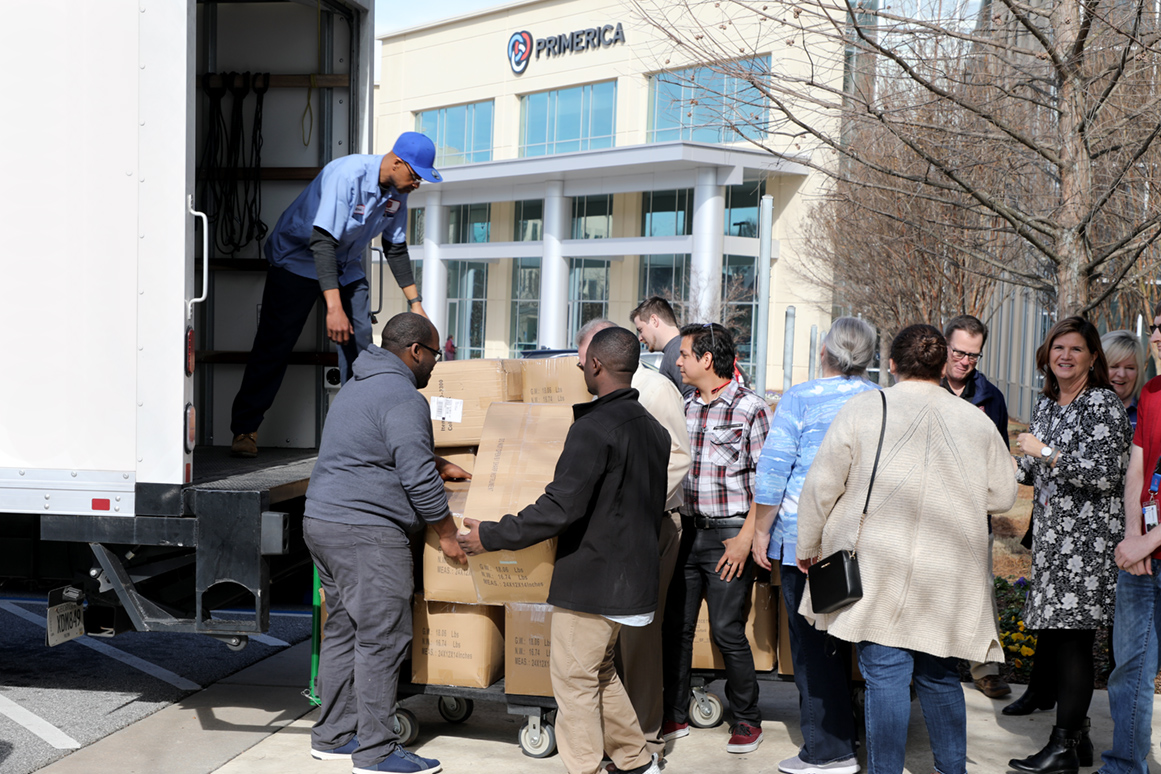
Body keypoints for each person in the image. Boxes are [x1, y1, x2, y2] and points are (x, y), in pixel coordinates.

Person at [795, 324, 1018, 774]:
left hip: (876, 563)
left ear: (891, 364)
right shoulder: (974, 418)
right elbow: (1002, 495)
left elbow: (822, 486)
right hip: (948, 565)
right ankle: (952, 769)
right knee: (939, 675)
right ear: (941, 366)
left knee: (885, 676)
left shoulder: (865, 407)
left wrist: (808, 544)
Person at [457, 326, 670, 774]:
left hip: (593, 584)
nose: (577, 364)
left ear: (596, 364)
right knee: (601, 670)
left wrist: (489, 536)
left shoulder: (593, 428)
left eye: (582, 358)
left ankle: (586, 768)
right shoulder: (654, 431)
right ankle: (635, 761)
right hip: (633, 582)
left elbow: (558, 509)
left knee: (574, 684)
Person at [304, 312, 468, 774]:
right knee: (383, 636)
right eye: (436, 354)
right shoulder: (402, 395)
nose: (437, 364)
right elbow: (415, 479)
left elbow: (376, 446)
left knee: (345, 629)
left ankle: (332, 735)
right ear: (415, 350)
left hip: (322, 521)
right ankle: (375, 751)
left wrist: (433, 458)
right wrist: (448, 535)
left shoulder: (360, 384)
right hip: (366, 532)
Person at [229, 132, 441, 458]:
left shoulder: (396, 192)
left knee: (361, 352)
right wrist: (334, 307)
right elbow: (322, 241)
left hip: (344, 264)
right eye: (415, 176)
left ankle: (360, 435)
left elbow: (395, 246)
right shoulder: (348, 175)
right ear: (397, 162)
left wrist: (417, 304)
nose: (417, 184)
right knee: (275, 345)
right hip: (298, 258)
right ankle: (245, 429)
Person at [748, 317, 878, 774]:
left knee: (811, 644)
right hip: (863, 538)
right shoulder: (879, 400)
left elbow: (774, 471)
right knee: (854, 643)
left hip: (802, 538)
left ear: (825, 351)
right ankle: (850, 735)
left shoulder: (800, 398)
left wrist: (760, 533)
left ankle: (828, 750)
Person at [1006, 315, 1131, 774]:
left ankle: (1061, 748)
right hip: (1052, 541)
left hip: (1089, 543)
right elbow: (1032, 470)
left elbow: (1104, 475)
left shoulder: (1102, 404)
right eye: (1058, 347)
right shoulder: (1047, 405)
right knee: (1059, 641)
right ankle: (1077, 740)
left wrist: (1044, 452)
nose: (1065, 356)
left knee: (1074, 641)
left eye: (1076, 349)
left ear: (1092, 357)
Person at [575, 319, 692, 762]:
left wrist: (634, 501)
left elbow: (679, 455)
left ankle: (647, 740)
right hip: (610, 530)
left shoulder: (656, 389)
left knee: (638, 638)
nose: (579, 360)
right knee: (605, 642)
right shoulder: (599, 391)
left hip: (651, 524)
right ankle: (618, 740)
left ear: (603, 349)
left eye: (582, 350)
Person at [661, 322, 772, 755]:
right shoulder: (685, 406)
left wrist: (746, 537)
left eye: (685, 354)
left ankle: (747, 719)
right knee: (677, 629)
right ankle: (674, 712)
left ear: (707, 359)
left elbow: (767, 483)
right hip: (686, 532)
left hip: (729, 535)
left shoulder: (751, 409)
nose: (678, 361)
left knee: (727, 631)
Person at [1097, 304, 1161, 774]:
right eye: (1156, 328)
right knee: (1130, 670)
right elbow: (1137, 466)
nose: (1155, 337)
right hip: (1142, 557)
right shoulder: (1153, 393)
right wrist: (1132, 534)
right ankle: (1124, 766)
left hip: (1150, 549)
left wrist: (1148, 541)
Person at [940, 314, 1012, 700]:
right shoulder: (923, 386)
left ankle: (985, 668)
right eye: (958, 352)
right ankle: (928, 663)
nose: (965, 361)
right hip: (925, 513)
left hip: (971, 513)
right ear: (944, 345)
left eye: (973, 355)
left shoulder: (990, 398)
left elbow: (998, 458)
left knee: (979, 590)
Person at [630, 296, 694, 398]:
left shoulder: (676, 351)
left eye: (640, 330)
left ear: (654, 320)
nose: (640, 338)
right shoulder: (676, 348)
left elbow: (691, 398)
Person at [1101, 329, 1145, 431]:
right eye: (1114, 366)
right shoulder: (1080, 407)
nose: (1122, 374)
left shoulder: (1149, 411)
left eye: (1130, 368)